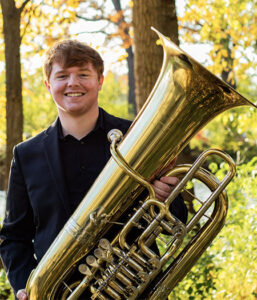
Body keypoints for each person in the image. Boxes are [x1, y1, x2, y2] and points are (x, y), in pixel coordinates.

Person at [0, 40, 187, 300]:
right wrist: (24, 287)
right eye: (62, 76)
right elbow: (13, 238)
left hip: (135, 291)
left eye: (83, 75)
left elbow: (178, 218)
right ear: (48, 85)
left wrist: (165, 198)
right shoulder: (26, 154)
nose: (72, 83)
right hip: (60, 295)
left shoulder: (138, 137)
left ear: (100, 81)